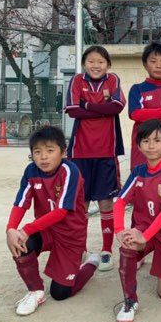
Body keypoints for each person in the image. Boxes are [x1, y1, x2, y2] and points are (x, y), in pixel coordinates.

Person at [5, 126, 99, 316]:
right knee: (21, 243)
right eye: (37, 152)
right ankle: (36, 291)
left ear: (63, 152)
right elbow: (21, 203)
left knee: (60, 293)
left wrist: (26, 229)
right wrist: (11, 229)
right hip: (46, 229)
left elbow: (61, 211)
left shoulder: (70, 171)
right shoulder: (31, 171)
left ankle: (90, 262)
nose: (43, 157)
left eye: (50, 150)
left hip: (70, 234)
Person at [112, 120, 161, 322]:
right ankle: (130, 301)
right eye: (146, 141)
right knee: (127, 245)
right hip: (144, 230)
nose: (151, 146)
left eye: (157, 140)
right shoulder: (138, 172)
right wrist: (119, 230)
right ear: (138, 145)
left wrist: (145, 236)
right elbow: (120, 202)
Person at [64, 45, 126, 272]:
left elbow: (117, 106)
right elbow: (73, 110)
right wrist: (102, 108)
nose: (96, 65)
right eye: (91, 61)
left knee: (106, 203)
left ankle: (107, 250)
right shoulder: (77, 80)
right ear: (84, 64)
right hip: (80, 152)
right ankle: (80, 248)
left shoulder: (113, 80)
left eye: (100, 61)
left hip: (106, 151)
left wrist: (88, 105)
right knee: (81, 203)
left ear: (107, 64)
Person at [128, 42, 161, 171]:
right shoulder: (137, 89)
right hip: (143, 150)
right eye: (153, 61)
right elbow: (135, 114)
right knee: (141, 179)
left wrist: (148, 116)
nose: (158, 66)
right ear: (145, 64)